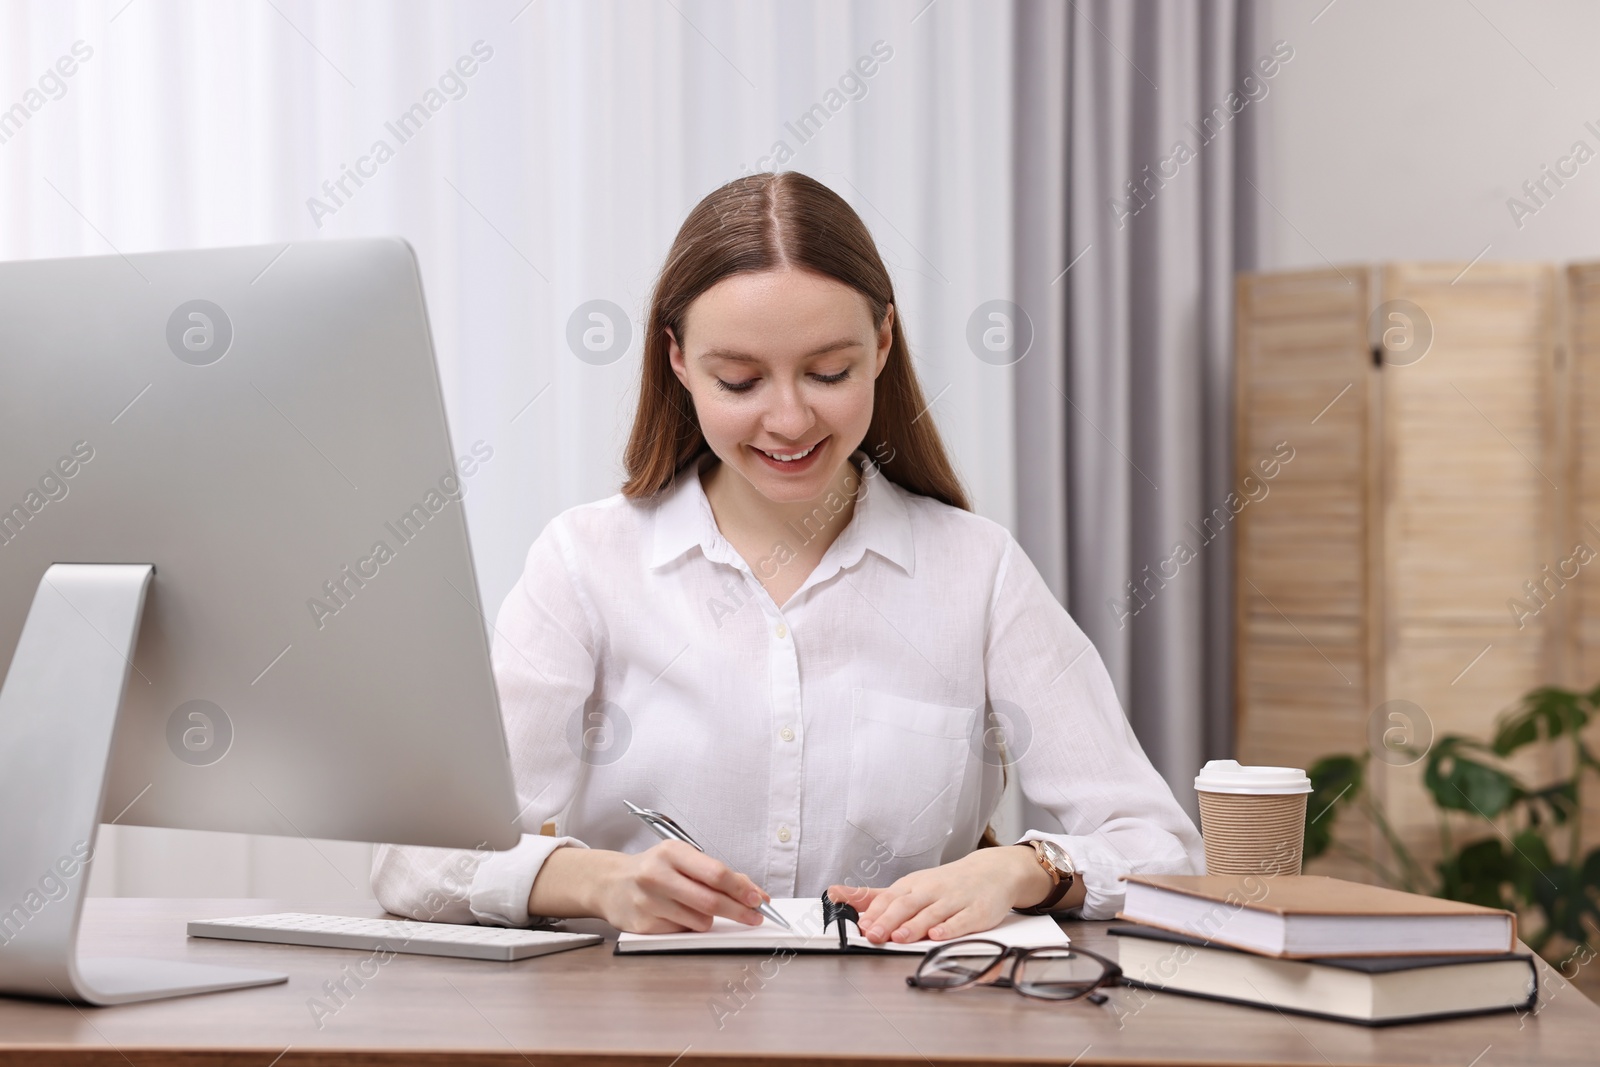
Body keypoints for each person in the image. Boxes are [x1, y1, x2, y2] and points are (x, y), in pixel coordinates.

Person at [372, 171, 1203, 945]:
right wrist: (597, 881)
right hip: (633, 1028)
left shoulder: (976, 570)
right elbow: (414, 861)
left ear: (882, 343)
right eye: (738, 381)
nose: (790, 419)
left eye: (828, 371)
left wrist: (1021, 868)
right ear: (677, 361)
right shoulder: (586, 563)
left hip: (905, 1029)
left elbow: (1161, 846)